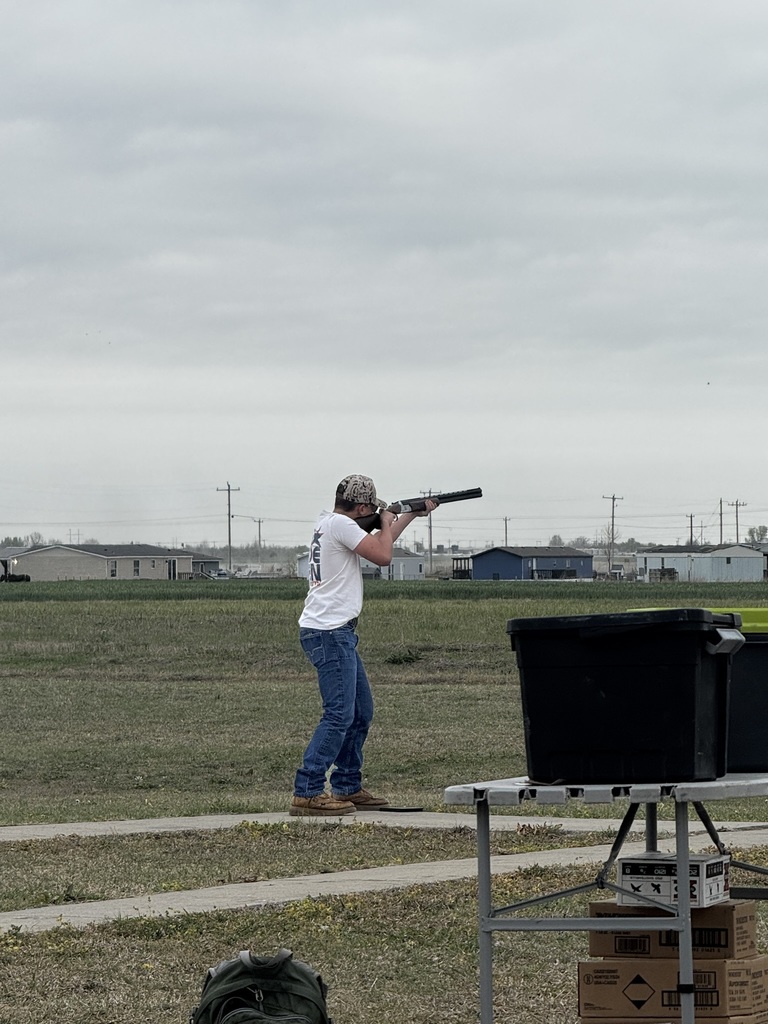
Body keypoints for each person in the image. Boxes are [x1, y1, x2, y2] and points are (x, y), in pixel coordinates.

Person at [290, 474, 436, 816]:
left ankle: (347, 786)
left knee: (360, 713)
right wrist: (387, 520)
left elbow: (378, 546)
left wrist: (410, 514)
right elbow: (384, 556)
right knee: (339, 714)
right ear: (362, 508)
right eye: (373, 509)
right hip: (330, 631)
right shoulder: (341, 526)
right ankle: (308, 790)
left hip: (334, 630)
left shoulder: (331, 522)